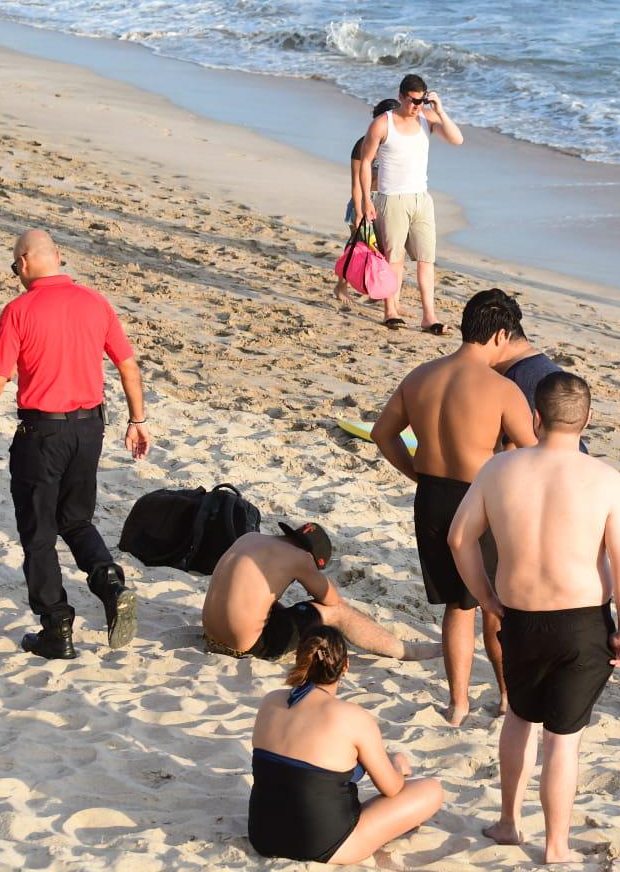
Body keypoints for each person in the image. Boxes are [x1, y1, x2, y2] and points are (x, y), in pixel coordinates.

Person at [449, 371, 620, 865]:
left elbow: (458, 538)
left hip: (519, 617)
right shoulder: (605, 480)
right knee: (563, 739)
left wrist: (486, 597)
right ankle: (555, 846)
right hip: (582, 623)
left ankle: (509, 822)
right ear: (587, 421)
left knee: (519, 718)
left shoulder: (499, 470)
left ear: (535, 417)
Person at [0, 229, 150, 659]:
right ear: (58, 257)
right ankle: (108, 580)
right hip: (90, 429)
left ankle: (57, 626)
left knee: (38, 532)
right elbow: (128, 366)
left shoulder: (19, 311)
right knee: (75, 519)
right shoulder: (95, 302)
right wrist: (138, 420)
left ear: (22, 262)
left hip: (43, 434)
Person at [372, 289, 536, 725]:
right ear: (501, 334)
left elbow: (382, 435)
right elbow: (534, 452)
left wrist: (417, 475)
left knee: (457, 607)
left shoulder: (420, 376)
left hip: (431, 498)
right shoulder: (502, 389)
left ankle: (458, 703)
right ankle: (505, 697)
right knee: (494, 602)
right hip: (478, 500)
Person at [249, 625, 444, 865]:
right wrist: (398, 765)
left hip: (263, 836)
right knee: (430, 790)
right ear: (345, 667)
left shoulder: (271, 701)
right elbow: (391, 789)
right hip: (323, 844)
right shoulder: (353, 718)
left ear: (301, 660)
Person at [202, 523, 440, 661]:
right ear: (314, 557)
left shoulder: (250, 537)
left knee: (268, 601)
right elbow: (332, 599)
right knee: (337, 613)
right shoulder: (300, 558)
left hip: (210, 634)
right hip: (245, 645)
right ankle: (407, 651)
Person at [358, 74, 464, 333]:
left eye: (422, 101)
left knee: (426, 259)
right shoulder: (383, 124)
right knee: (394, 259)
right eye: (413, 101)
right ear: (401, 97)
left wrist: (440, 110)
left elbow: (457, 139)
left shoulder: (427, 119)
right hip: (391, 198)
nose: (417, 106)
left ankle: (429, 317)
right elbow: (364, 163)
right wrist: (365, 201)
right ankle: (390, 310)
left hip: (421, 199)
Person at [492, 304, 587, 454]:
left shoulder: (514, 380)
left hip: (549, 466)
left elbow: (510, 449)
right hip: (577, 458)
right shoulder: (545, 366)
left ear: (500, 337)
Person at [335, 98, 400, 303]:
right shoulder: (363, 144)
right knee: (357, 247)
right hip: (365, 199)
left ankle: (376, 288)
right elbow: (355, 182)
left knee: (383, 249)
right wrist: (359, 209)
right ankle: (340, 286)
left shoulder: (398, 143)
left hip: (388, 200)